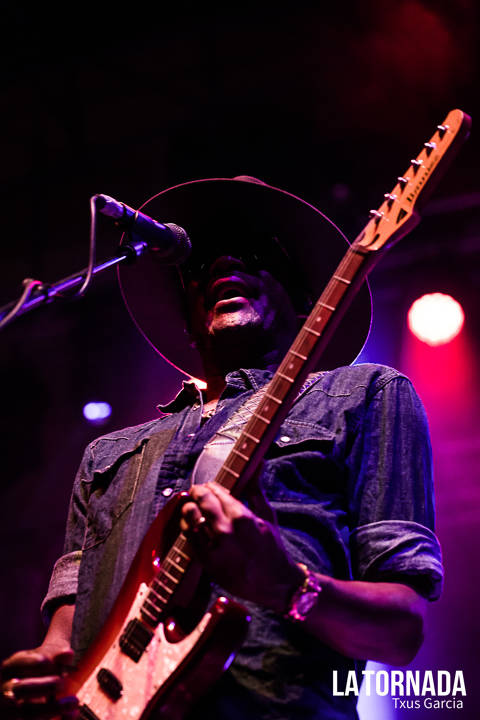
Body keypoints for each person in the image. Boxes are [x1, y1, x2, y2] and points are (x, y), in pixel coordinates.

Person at [1, 177, 443, 720]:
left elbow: (401, 633)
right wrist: (48, 665)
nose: (225, 263)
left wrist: (288, 585)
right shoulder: (106, 455)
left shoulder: (365, 395)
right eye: (201, 261)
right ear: (185, 314)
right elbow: (66, 632)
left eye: (256, 253)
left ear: (306, 297)